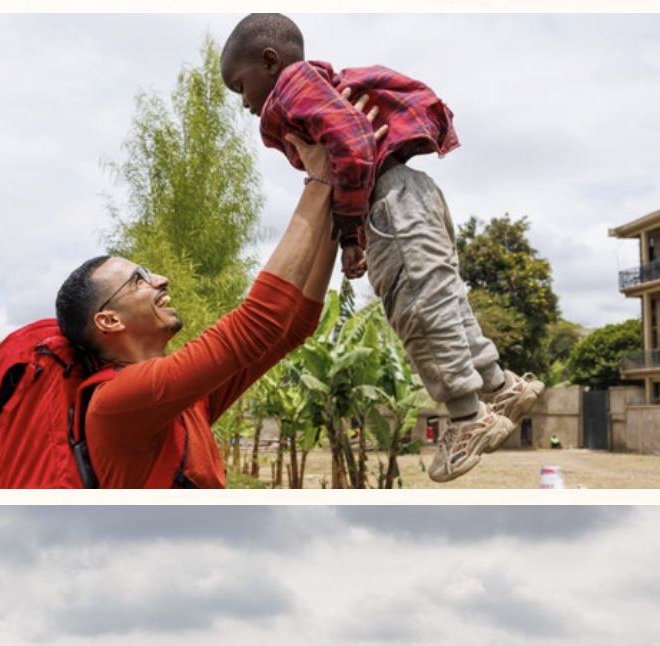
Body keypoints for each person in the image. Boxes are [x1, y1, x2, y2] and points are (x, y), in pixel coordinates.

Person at [220, 13, 543, 483]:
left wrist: (351, 219)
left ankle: (467, 418)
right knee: (443, 299)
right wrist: (352, 238)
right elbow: (353, 148)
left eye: (240, 86)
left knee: (418, 309)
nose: (244, 103)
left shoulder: (291, 86)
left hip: (387, 202)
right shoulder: (314, 87)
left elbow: (351, 145)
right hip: (410, 192)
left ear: (270, 62)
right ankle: (499, 386)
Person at [53, 97, 380, 490]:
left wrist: (340, 193)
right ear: (109, 320)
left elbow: (291, 328)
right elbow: (258, 324)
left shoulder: (180, 402)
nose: (160, 279)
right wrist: (322, 179)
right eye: (139, 279)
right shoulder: (118, 403)